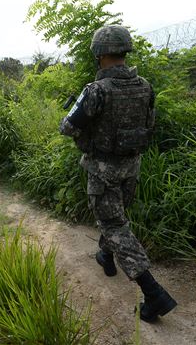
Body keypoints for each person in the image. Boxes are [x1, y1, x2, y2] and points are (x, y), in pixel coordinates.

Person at [59, 25, 177, 323]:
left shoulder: (95, 91)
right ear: (125, 51)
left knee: (114, 225)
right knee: (115, 216)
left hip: (103, 170)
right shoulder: (145, 86)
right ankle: (106, 256)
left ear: (99, 53)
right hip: (131, 166)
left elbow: (68, 128)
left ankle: (153, 294)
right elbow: (149, 123)